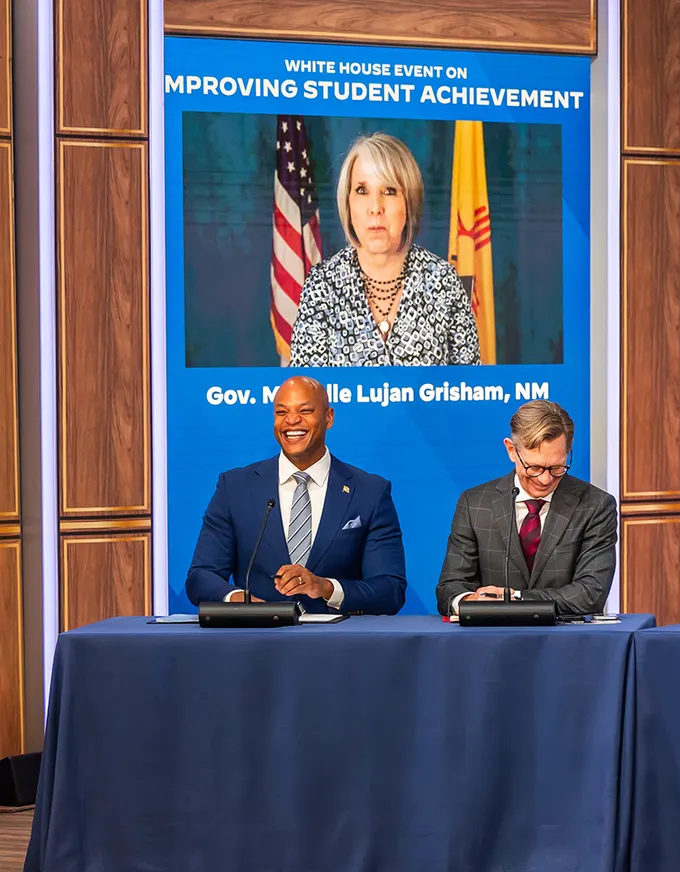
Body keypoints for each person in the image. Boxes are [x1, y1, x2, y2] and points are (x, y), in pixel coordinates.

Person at [186, 375, 407, 613]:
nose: (292, 420)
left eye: (305, 410)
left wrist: (326, 588)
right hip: (257, 641)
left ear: (328, 417)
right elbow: (201, 577)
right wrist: (240, 600)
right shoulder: (235, 487)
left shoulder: (369, 492)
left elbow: (390, 589)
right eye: (282, 413)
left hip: (339, 644)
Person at [288, 132, 480, 367]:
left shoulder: (442, 280)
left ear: (409, 201)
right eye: (362, 190)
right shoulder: (322, 284)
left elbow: (470, 390)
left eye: (389, 191)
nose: (375, 207)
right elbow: (308, 395)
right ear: (347, 202)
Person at [436, 400, 618, 615]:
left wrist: (513, 599)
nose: (545, 479)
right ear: (512, 450)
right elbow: (450, 588)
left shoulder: (595, 505)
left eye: (557, 467)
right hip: (492, 642)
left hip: (566, 642)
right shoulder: (475, 504)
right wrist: (470, 600)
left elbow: (589, 594)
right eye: (534, 467)